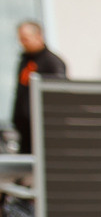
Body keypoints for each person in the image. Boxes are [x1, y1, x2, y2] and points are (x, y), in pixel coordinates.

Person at [12, 22, 65, 155]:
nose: (22, 43)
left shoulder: (52, 63)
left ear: (38, 36)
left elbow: (58, 97)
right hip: (24, 129)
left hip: (42, 129)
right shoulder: (25, 61)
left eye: (26, 39)